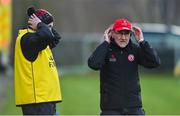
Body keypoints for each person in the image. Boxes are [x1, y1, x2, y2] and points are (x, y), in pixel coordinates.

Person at [88, 18, 161, 115]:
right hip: (110, 109)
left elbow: (155, 62)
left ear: (130, 35)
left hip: (134, 107)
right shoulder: (106, 49)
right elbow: (93, 64)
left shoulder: (135, 49)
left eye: (126, 33)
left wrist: (142, 41)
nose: (123, 37)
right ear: (112, 34)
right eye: (119, 33)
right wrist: (105, 43)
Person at [14, 7, 62, 115]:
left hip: (44, 100)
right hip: (37, 102)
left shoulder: (39, 41)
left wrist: (42, 24)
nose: (50, 30)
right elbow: (48, 35)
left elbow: (55, 38)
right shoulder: (28, 39)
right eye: (48, 27)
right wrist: (40, 24)